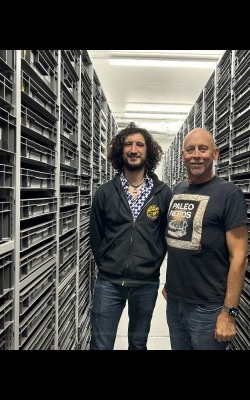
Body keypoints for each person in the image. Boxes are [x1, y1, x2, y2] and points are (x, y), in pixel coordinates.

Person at [162, 127, 249, 350]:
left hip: (208, 308)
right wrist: (171, 284)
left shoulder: (229, 193)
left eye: (203, 148)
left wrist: (229, 312)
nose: (196, 155)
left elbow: (240, 256)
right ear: (183, 155)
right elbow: (175, 239)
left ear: (215, 153)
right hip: (175, 301)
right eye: (190, 149)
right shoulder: (178, 189)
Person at [89, 122, 172, 350]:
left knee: (138, 343)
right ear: (120, 150)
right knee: (101, 344)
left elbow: (167, 236)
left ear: (148, 151)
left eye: (139, 145)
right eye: (128, 144)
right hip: (109, 282)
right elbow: (96, 235)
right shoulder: (105, 192)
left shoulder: (163, 193)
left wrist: (152, 262)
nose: (133, 150)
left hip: (146, 283)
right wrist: (108, 263)